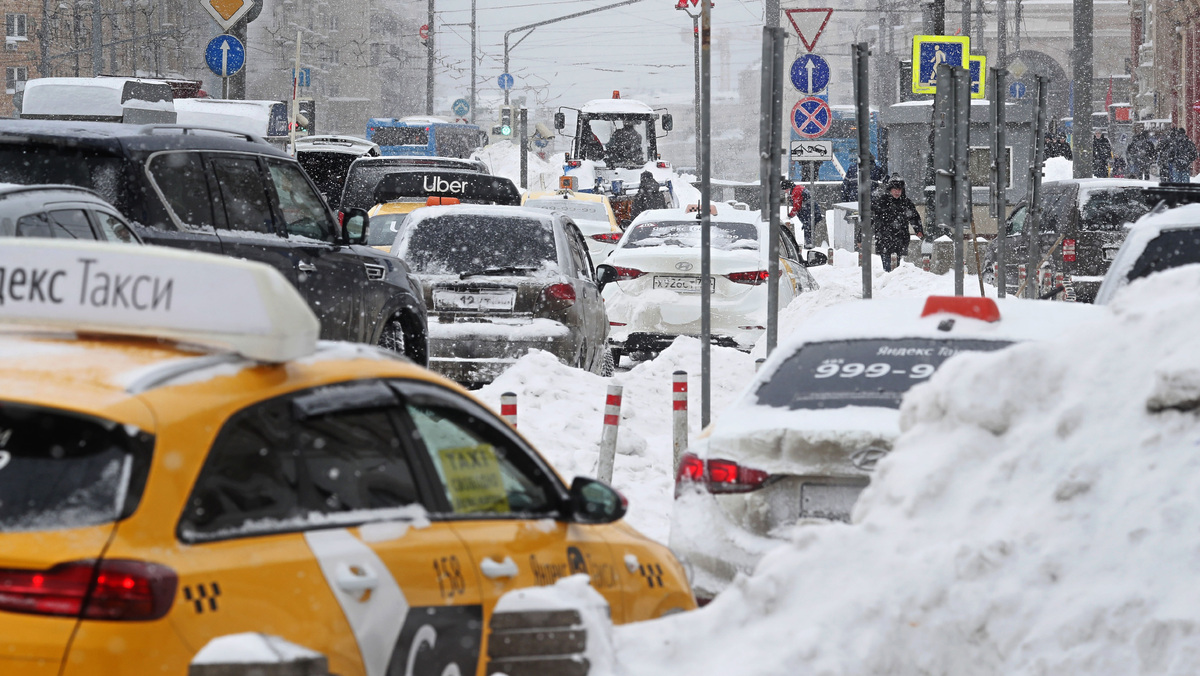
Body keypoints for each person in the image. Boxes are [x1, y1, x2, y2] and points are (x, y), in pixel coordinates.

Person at [870, 176, 923, 272]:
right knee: (888, 265)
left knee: (895, 265)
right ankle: (890, 280)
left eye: (899, 190)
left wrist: (918, 229)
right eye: (895, 189)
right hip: (884, 238)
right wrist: (861, 235)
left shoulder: (905, 203)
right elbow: (870, 219)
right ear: (890, 189)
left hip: (899, 238)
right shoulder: (881, 202)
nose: (897, 192)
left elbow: (914, 217)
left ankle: (892, 280)